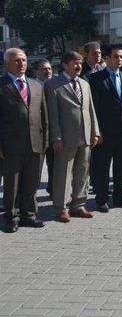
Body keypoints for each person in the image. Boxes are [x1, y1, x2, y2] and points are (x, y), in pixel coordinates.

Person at [45, 51, 100, 222]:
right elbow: (52, 115)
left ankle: (78, 204)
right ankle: (61, 207)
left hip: (85, 136)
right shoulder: (53, 84)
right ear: (64, 65)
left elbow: (90, 109)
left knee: (82, 172)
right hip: (65, 138)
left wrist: (95, 132)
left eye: (80, 63)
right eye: (75, 63)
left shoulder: (84, 83)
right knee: (63, 173)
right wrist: (56, 137)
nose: (78, 66)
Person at [0, 48, 48, 232]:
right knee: (12, 183)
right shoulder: (2, 86)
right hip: (11, 145)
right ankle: (11, 217)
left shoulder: (36, 85)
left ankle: (29, 215)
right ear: (6, 64)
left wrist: (46, 141)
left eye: (24, 60)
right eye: (17, 60)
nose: (21, 64)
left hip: (35, 142)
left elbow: (44, 115)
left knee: (31, 181)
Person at [88, 46, 122, 212]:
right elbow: (93, 107)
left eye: (121, 57)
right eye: (116, 57)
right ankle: (101, 199)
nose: (119, 60)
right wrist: (97, 131)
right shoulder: (95, 79)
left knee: (121, 167)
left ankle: (120, 198)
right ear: (107, 58)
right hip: (105, 133)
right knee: (102, 167)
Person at [33, 59, 55, 194]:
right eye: (43, 68)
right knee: (36, 168)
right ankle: (30, 195)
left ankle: (52, 189)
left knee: (54, 165)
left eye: (49, 68)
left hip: (54, 134)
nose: (47, 71)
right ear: (36, 72)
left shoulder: (56, 86)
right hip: (38, 135)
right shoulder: (32, 86)